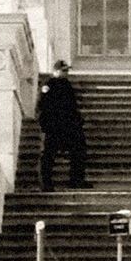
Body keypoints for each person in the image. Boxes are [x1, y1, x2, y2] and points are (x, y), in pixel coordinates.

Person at [38, 60, 92, 192]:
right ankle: (47, 184)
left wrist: (77, 121)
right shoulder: (48, 85)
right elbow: (43, 106)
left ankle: (76, 180)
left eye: (67, 70)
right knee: (49, 155)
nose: (66, 73)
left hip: (70, 125)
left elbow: (72, 106)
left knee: (79, 151)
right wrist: (47, 125)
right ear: (56, 71)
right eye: (64, 70)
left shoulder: (66, 84)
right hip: (55, 126)